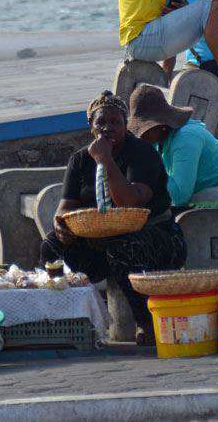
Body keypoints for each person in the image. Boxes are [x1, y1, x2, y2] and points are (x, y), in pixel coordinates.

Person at [41, 91, 187, 344]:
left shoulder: (141, 153)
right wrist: (61, 224)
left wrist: (105, 159)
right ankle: (61, 320)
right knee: (51, 245)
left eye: (115, 122)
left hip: (154, 239)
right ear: (90, 125)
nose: (107, 128)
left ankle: (147, 325)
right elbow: (64, 207)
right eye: (101, 123)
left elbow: (127, 202)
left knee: (124, 247)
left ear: (125, 124)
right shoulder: (80, 159)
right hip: (100, 241)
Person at [127, 84, 218, 211]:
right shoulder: (158, 141)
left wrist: (150, 167)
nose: (141, 135)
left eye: (145, 129)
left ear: (161, 124)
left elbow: (179, 197)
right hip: (200, 192)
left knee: (173, 213)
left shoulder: (186, 137)